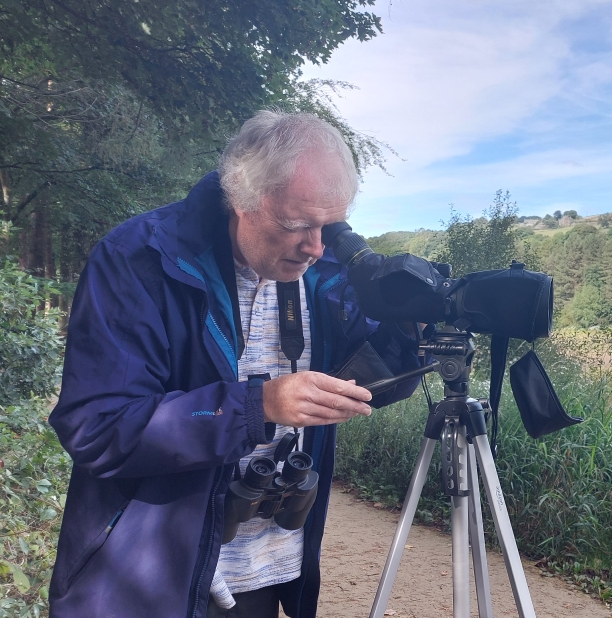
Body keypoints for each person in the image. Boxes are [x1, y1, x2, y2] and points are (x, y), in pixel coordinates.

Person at [48, 111, 426, 618]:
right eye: (296, 225)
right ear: (241, 200)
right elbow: (98, 428)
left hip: (266, 573)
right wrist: (258, 405)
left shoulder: (327, 271)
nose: (315, 248)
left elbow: (371, 381)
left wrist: (414, 330)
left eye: (329, 226)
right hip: (148, 581)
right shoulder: (138, 259)